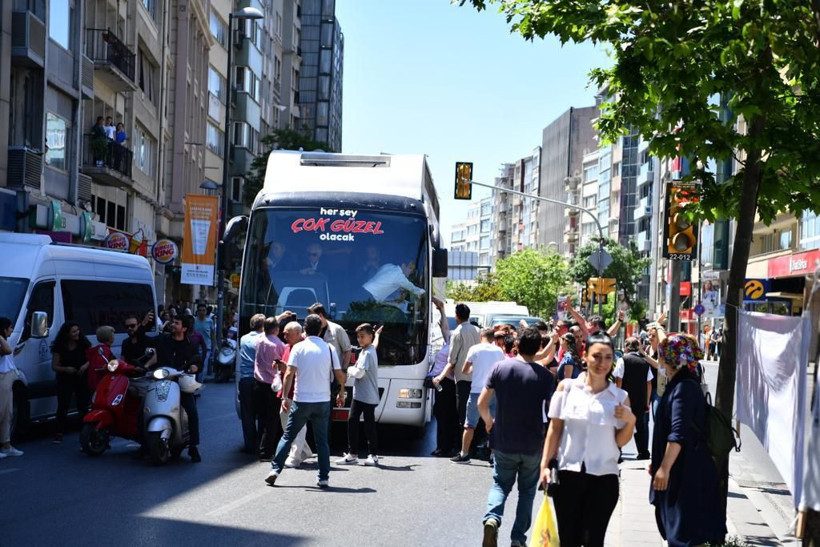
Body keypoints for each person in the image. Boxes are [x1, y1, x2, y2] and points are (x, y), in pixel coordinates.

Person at [541, 332, 636, 546]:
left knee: (594, 540)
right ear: (585, 356)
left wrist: (630, 420)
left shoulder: (619, 398)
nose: (602, 363)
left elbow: (620, 441)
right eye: (597, 356)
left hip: (604, 478)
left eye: (608, 357)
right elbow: (554, 430)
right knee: (568, 540)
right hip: (568, 476)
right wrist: (544, 465)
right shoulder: (567, 388)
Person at [479, 327, 555, 547]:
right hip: (532, 442)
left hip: (503, 439)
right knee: (527, 492)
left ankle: (492, 519)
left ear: (516, 345)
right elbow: (552, 412)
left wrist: (489, 422)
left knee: (500, 484)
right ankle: (517, 538)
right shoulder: (544, 376)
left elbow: (481, 403)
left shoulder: (500, 368)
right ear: (539, 348)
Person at [650, 334, 726, 545]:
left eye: (662, 356)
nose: (660, 361)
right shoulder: (683, 384)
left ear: (670, 358)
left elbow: (678, 433)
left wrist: (664, 467)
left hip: (685, 474)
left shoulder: (683, 388)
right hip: (684, 469)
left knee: (682, 536)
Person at [265, 314, 347, 488]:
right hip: (322, 401)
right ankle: (323, 477)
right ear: (320, 329)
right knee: (322, 441)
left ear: (304, 329)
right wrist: (341, 392)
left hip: (301, 400)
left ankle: (275, 470)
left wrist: (285, 396)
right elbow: (339, 374)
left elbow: (289, 374)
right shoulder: (330, 349)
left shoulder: (298, 348)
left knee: (287, 436)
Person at [145, 315, 203, 462]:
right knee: (144, 408)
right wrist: (144, 325)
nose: (172, 325)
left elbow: (197, 359)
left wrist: (194, 366)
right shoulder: (163, 340)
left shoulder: (191, 345)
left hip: (181, 384)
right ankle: (144, 444)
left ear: (184, 328)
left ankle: (193, 446)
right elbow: (145, 340)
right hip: (161, 382)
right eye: (172, 322)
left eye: (176, 323)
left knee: (192, 411)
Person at [451, 327, 505, 464]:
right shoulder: (499, 351)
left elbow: (464, 370)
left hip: (476, 390)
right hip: (493, 391)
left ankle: (464, 454)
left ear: (481, 335)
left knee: (469, 424)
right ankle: (493, 456)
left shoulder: (474, 349)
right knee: (493, 423)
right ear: (493, 338)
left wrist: (474, 369)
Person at [435, 303, 479, 447]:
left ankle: (462, 448)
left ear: (457, 316)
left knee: (462, 415)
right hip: (476, 377)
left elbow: (452, 361)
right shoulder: (476, 330)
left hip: (462, 378)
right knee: (472, 414)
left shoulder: (458, 332)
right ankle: (471, 446)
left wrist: (439, 377)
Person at [337, 323, 380, 466]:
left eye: (362, 336)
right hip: (360, 395)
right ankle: (353, 454)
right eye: (358, 336)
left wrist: (348, 369)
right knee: (353, 422)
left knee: (368, 426)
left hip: (368, 396)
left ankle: (373, 455)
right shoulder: (367, 349)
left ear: (370, 336)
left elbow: (360, 373)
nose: (359, 339)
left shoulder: (368, 352)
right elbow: (375, 343)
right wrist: (378, 334)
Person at [278, 321, 314, 468]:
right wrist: (280, 366)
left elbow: (304, 370)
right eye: (284, 333)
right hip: (286, 391)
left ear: (299, 333)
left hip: (300, 392)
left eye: (288, 334)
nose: (284, 336)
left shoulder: (305, 348)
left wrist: (286, 368)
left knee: (298, 425)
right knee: (286, 422)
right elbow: (287, 370)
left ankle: (295, 456)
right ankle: (304, 451)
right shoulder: (287, 347)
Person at [51, 322, 92, 443]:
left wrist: (85, 366)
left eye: (78, 330)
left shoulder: (84, 343)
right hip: (65, 378)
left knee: (83, 405)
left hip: (81, 377)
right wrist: (66, 369)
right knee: (63, 404)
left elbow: (91, 358)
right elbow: (54, 366)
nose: (77, 333)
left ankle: (85, 431)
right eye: (74, 332)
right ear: (67, 334)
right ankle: (59, 432)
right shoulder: (59, 346)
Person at [613, 337, 653, 460]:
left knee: (620, 425)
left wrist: (616, 397)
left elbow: (618, 379)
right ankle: (643, 452)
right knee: (640, 426)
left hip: (625, 399)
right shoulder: (645, 362)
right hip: (640, 399)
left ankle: (617, 453)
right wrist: (647, 402)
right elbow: (649, 383)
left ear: (626, 346)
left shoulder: (622, 360)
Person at [253, 316, 286, 461]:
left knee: (261, 418)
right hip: (273, 386)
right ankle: (267, 452)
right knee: (272, 420)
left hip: (258, 383)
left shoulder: (259, 339)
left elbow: (264, 329)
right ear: (277, 330)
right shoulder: (279, 345)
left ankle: (259, 447)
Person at [429, 297, 457, 457]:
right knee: (440, 414)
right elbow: (446, 328)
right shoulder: (449, 341)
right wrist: (441, 310)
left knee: (444, 415)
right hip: (440, 382)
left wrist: (440, 377)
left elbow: (451, 364)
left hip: (446, 382)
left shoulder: (454, 345)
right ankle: (441, 446)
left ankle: (444, 447)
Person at [238, 313, 265, 454]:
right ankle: (261, 444)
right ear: (263, 326)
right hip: (260, 380)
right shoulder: (263, 339)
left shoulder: (243, 338)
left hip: (245, 380)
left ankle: (249, 444)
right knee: (262, 413)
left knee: (247, 414)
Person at [0, 317, 23, 458]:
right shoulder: (2, 343)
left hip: (7, 379)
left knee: (7, 413)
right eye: (9, 327)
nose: (12, 330)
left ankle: (6, 445)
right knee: (1, 412)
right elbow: (7, 351)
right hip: (1, 378)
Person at [361, 262, 426, 305]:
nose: (411, 271)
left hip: (362, 290)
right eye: (410, 268)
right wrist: (426, 293)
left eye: (412, 270)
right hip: (368, 297)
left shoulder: (388, 265)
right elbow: (413, 289)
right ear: (403, 265)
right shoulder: (399, 276)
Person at [86, 326, 116, 393]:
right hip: (101, 383)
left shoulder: (99, 349)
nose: (114, 336)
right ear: (109, 337)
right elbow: (102, 367)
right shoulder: (104, 350)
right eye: (112, 334)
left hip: (96, 382)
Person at [194, 304, 217, 379]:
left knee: (203, 366)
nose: (202, 312)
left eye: (203, 310)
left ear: (206, 311)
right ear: (197, 311)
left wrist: (215, 345)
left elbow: (213, 334)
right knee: (194, 365)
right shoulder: (193, 320)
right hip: (195, 347)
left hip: (206, 348)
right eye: (200, 310)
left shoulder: (210, 321)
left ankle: (199, 383)